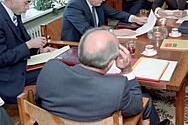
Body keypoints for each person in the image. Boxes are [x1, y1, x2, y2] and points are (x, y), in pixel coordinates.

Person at [36, 27, 170, 125]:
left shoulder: (50, 68)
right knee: (146, 99)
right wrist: (127, 70)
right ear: (111, 62)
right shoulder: (116, 86)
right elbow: (136, 106)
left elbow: (39, 101)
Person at [0, 0, 54, 104]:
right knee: (53, 72)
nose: (28, 7)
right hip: (8, 76)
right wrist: (28, 45)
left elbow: (23, 42)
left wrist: (40, 50)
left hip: (21, 65)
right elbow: (2, 58)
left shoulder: (14, 14)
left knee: (55, 66)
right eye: (26, 3)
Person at [61, 0, 148, 42]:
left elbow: (115, 13)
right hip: (77, 46)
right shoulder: (74, 6)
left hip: (97, 40)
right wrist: (113, 32)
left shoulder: (97, 2)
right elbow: (87, 30)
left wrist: (135, 19)